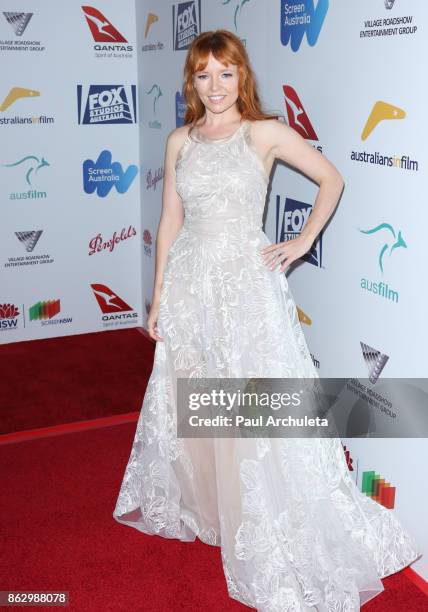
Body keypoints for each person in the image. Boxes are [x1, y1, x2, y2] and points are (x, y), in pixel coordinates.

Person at [113, 30, 421, 611]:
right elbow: (169, 220)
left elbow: (332, 179)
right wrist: (157, 299)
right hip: (190, 285)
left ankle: (269, 522)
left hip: (246, 288)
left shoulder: (264, 133)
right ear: (191, 82)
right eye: (203, 75)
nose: (215, 86)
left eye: (225, 73)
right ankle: (219, 509)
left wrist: (302, 241)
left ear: (241, 77)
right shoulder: (179, 140)